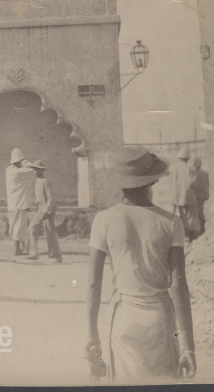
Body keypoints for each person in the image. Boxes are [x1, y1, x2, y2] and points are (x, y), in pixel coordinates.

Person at [86, 146, 196, 382]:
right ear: (153, 180)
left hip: (124, 317)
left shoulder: (104, 220)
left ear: (119, 182)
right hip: (160, 319)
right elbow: (178, 285)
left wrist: (92, 335)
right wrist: (189, 348)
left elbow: (94, 283)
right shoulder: (171, 222)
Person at [26, 160, 61, 263]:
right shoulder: (37, 181)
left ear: (42, 170)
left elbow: (51, 197)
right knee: (31, 228)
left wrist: (47, 211)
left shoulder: (45, 181)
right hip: (40, 209)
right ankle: (34, 253)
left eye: (37, 169)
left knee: (50, 233)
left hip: (47, 209)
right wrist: (37, 206)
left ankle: (56, 257)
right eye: (34, 169)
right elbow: (39, 197)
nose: (35, 171)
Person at [5, 148, 37, 256]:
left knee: (17, 226)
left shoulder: (9, 170)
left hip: (13, 204)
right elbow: (32, 169)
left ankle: (20, 247)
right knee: (19, 227)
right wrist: (25, 162)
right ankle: (16, 248)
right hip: (19, 203)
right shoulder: (19, 172)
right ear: (20, 161)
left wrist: (21, 162)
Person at [169, 147, 201, 241]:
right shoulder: (189, 168)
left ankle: (182, 235)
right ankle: (189, 235)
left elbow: (171, 182)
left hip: (176, 196)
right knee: (189, 216)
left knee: (180, 215)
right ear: (187, 158)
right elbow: (192, 182)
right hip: (187, 196)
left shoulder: (173, 168)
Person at [191, 158, 209, 237]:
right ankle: (202, 228)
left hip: (197, 195)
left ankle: (199, 229)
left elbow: (192, 185)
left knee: (197, 212)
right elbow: (207, 184)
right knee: (200, 210)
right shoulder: (205, 173)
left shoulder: (193, 173)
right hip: (204, 195)